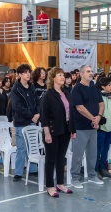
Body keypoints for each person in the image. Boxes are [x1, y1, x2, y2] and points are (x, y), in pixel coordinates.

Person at [41, 67, 76, 197]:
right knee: (51, 159)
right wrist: (47, 133)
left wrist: (72, 129)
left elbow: (71, 113)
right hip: (52, 130)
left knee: (61, 158)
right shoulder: (48, 95)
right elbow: (44, 116)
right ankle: (50, 186)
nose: (62, 77)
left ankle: (60, 183)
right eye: (59, 75)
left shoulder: (67, 92)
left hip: (65, 130)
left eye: (63, 75)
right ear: (53, 78)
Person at [70, 65, 104, 188]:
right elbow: (79, 107)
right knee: (78, 154)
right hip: (81, 127)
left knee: (92, 154)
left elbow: (101, 104)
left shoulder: (95, 88)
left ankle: (92, 175)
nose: (91, 73)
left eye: (91, 71)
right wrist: (93, 118)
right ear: (81, 74)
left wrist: (99, 116)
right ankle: (74, 178)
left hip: (93, 126)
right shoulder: (77, 89)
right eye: (88, 71)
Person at [10, 64, 39, 182]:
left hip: (32, 120)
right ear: (20, 74)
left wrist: (37, 114)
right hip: (21, 122)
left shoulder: (32, 87)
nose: (28, 74)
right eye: (25, 72)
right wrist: (31, 116)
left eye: (29, 72)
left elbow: (37, 102)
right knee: (21, 148)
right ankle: (18, 172)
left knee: (32, 146)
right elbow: (17, 107)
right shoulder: (16, 89)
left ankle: (33, 170)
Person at [96, 77, 111, 178]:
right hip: (101, 127)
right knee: (98, 148)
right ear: (102, 86)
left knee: (106, 148)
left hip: (110, 126)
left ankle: (102, 168)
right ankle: (95, 170)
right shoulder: (99, 96)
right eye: (108, 85)